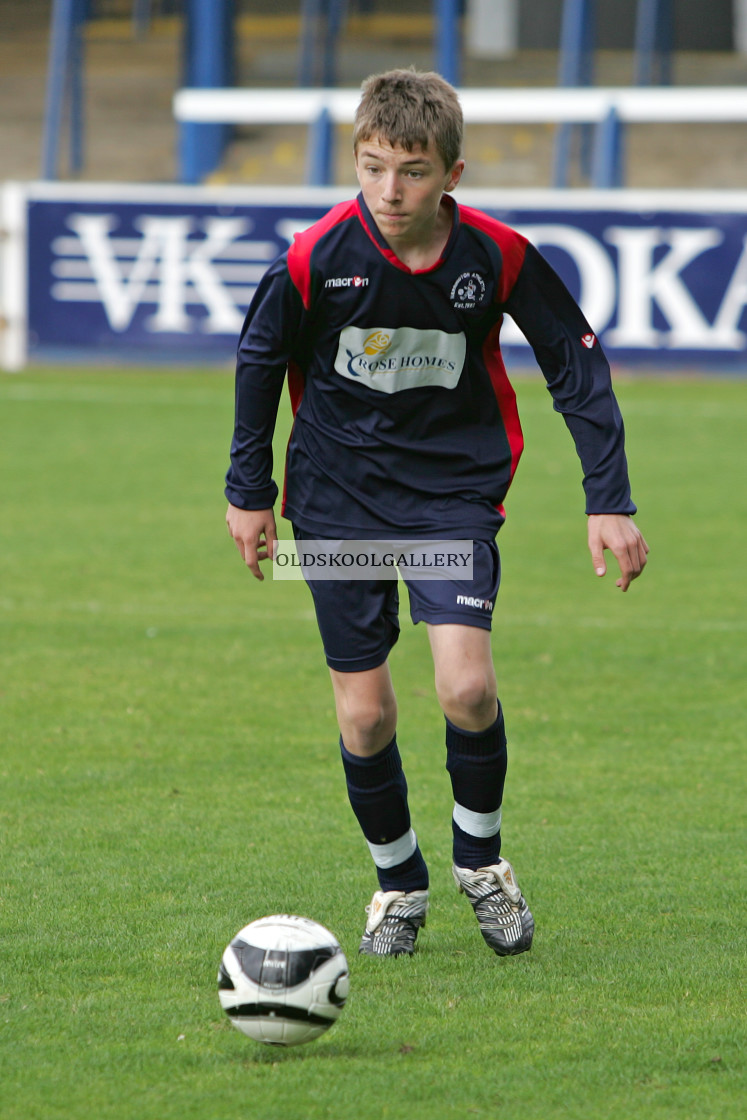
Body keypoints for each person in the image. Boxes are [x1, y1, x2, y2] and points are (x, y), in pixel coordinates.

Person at [225, 68, 648, 959]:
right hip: (332, 504)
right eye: (372, 167)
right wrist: (249, 493)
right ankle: (397, 885)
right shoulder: (312, 259)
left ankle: (482, 868)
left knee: (465, 687)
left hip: (451, 498)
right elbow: (258, 363)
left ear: (451, 174)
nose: (388, 190)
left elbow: (576, 369)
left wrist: (606, 498)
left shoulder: (496, 256)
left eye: (411, 171)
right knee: (366, 717)